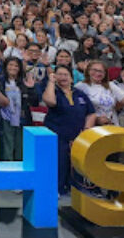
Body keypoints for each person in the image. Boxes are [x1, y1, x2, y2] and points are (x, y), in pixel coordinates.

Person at [43, 65, 96, 195]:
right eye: (59, 74)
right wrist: (51, 82)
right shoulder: (53, 91)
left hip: (77, 136)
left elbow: (91, 113)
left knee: (76, 166)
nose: (63, 77)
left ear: (72, 78)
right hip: (58, 135)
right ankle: (56, 190)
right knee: (58, 163)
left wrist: (86, 130)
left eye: (66, 75)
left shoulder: (80, 94)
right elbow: (50, 101)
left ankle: (74, 190)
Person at [0, 57, 38, 161]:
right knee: (7, 146)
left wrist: (31, 88)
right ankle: (8, 168)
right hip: (5, 118)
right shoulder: (0, 81)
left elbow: (35, 101)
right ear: (5, 67)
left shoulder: (25, 81)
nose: (13, 68)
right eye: (10, 65)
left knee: (21, 147)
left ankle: (19, 167)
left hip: (22, 118)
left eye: (16, 66)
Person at [75, 60, 118, 126]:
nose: (97, 73)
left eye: (101, 71)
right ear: (88, 71)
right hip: (91, 125)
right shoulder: (80, 86)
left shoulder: (111, 85)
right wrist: (96, 119)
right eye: (94, 70)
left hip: (111, 123)